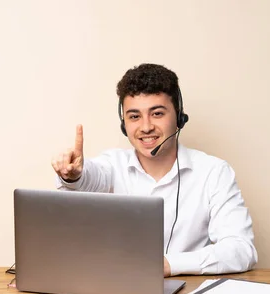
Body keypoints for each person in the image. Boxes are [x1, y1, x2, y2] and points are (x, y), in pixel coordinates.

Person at [51, 63, 257, 277]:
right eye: (134, 116)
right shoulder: (112, 164)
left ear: (179, 117)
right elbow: (90, 177)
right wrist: (74, 176)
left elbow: (241, 250)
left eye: (157, 113)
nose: (146, 126)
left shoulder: (214, 172)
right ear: (124, 124)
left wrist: (170, 264)